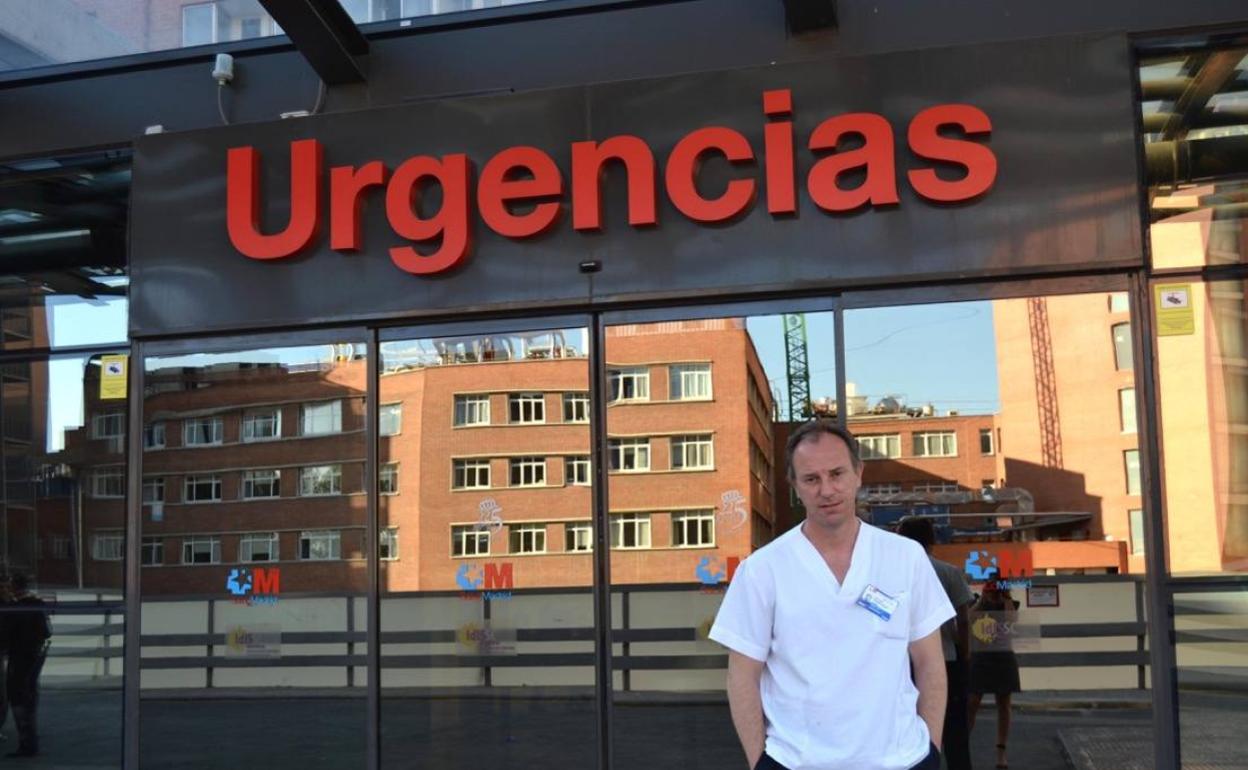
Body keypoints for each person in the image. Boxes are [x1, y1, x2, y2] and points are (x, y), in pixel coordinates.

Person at [710, 420, 954, 770]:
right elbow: (741, 676)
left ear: (858, 473)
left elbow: (930, 663)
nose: (827, 490)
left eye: (837, 473)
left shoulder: (905, 557)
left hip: (903, 760)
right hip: (798, 762)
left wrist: (930, 748)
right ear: (795, 486)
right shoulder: (763, 570)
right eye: (811, 479)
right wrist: (759, 763)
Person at [897, 516, 975, 770]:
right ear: (931, 540)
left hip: (902, 662)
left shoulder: (895, 573)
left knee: (902, 727)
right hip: (948, 659)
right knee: (955, 729)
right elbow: (963, 619)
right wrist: (965, 653)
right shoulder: (948, 572)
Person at [968, 581, 1021, 770]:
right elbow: (969, 618)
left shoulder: (1010, 604)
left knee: (1004, 704)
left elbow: (1011, 620)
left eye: (997, 586)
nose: (994, 591)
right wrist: (983, 597)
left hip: (1003, 657)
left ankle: (1001, 751)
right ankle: (962, 745)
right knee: (972, 702)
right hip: (980, 657)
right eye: (991, 586)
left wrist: (1005, 597)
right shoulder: (977, 602)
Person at [1, 573, 51, 758]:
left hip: (19, 657)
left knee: (17, 696)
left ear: (13, 587)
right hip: (34, 655)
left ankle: (26, 743)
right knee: (29, 695)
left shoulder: (13, 609)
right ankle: (30, 740)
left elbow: (4, 637)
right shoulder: (37, 604)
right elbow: (46, 632)